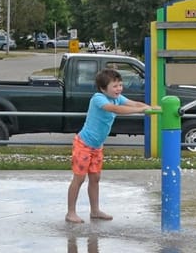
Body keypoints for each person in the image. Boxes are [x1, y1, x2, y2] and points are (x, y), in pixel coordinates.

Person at [66, 68, 153, 224]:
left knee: (95, 178)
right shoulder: (98, 98)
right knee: (79, 179)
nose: (119, 88)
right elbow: (116, 109)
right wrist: (141, 110)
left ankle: (95, 211)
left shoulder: (117, 98)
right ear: (103, 88)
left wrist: (150, 108)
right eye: (115, 86)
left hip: (97, 146)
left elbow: (134, 103)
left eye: (120, 85)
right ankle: (71, 212)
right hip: (83, 144)